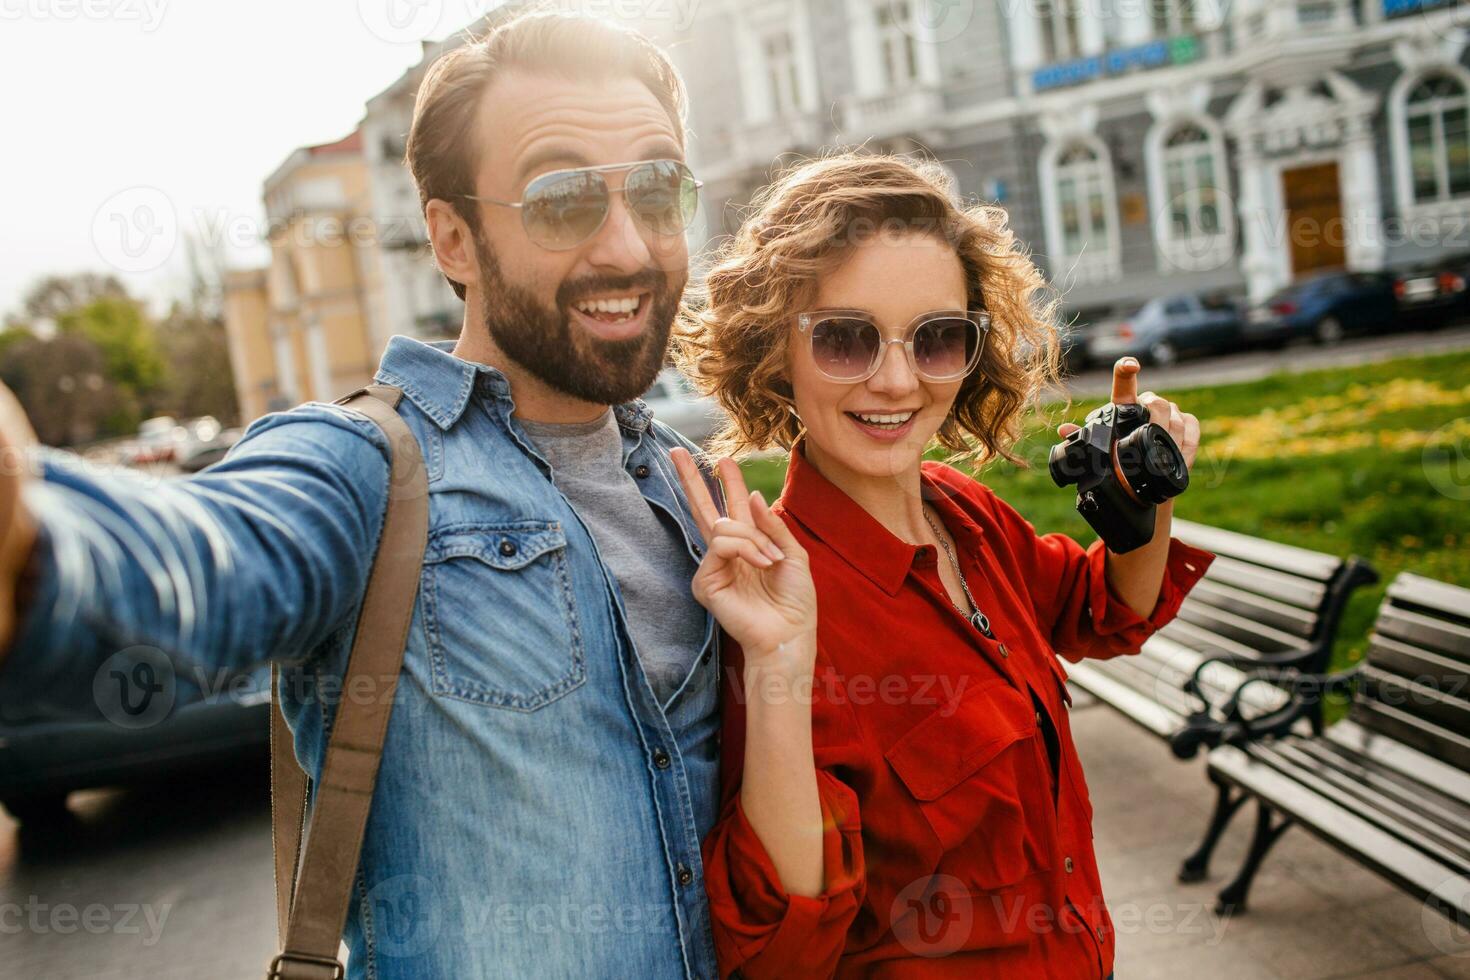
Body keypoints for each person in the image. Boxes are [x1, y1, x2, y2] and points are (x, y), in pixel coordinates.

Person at [0, 12, 726, 978]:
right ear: (453, 239)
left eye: (656, 188)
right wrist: (32, 537)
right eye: (561, 201)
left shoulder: (691, 486)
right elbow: (211, 558)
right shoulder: (367, 466)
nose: (628, 246)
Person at [668, 153, 1216, 979]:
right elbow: (785, 944)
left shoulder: (968, 515)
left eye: (937, 338)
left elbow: (1104, 612)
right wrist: (779, 666)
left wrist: (1145, 495)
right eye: (846, 339)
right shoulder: (789, 601)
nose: (896, 380)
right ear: (775, 350)